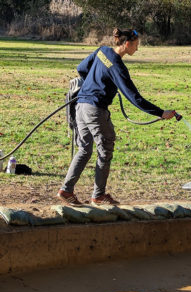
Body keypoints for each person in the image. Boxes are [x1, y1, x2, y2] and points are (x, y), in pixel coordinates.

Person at [57, 28, 176, 206]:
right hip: (95, 109)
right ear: (126, 44)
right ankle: (98, 195)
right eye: (136, 45)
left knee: (84, 149)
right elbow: (135, 98)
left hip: (80, 106)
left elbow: (82, 68)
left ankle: (66, 190)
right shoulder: (118, 67)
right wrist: (161, 113)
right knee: (105, 149)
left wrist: (95, 83)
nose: (137, 49)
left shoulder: (102, 51)